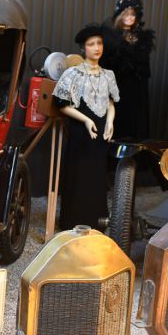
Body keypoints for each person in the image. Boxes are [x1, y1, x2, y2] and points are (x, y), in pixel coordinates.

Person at [52, 23, 120, 230]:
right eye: (91, 44)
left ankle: (96, 222)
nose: (97, 47)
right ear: (84, 48)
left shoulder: (108, 75)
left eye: (99, 43)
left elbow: (110, 102)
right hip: (81, 132)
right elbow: (61, 104)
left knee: (98, 174)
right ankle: (72, 222)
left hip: (101, 133)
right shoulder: (73, 74)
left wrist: (110, 121)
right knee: (78, 174)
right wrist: (86, 120)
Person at [100, 0, 155, 140]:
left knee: (136, 121)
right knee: (120, 119)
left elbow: (145, 68)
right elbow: (107, 64)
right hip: (119, 85)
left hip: (138, 87)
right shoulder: (111, 37)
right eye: (127, 14)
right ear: (120, 16)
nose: (130, 17)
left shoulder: (141, 38)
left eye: (133, 14)